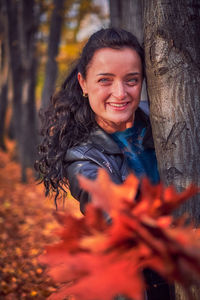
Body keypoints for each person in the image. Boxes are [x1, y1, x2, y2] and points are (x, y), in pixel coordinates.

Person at [36, 28, 173, 300]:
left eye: (131, 80)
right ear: (83, 83)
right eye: (105, 80)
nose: (120, 93)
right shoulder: (82, 158)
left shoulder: (162, 117)